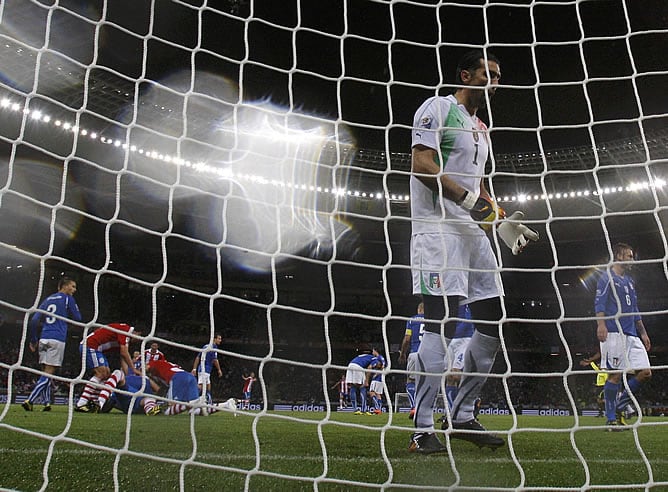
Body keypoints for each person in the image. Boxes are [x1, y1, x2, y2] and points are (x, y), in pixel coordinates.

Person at [407, 49, 538, 454]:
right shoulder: (437, 108)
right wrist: (470, 203)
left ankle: (462, 416)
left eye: (498, 76)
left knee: (492, 321)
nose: (494, 82)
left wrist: (500, 220)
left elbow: (480, 188)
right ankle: (423, 426)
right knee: (439, 323)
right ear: (466, 74)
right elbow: (422, 164)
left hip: (473, 234)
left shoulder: (482, 128)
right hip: (439, 231)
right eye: (488, 73)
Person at [595, 242, 651, 429]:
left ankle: (619, 403)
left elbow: (635, 309)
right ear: (618, 256)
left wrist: (643, 333)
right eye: (629, 256)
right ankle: (611, 419)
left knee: (645, 372)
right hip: (613, 333)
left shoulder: (629, 281)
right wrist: (601, 325)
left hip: (632, 334)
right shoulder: (606, 277)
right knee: (615, 376)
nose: (632, 260)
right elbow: (600, 304)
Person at [23, 277, 82, 412]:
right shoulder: (68, 299)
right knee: (49, 372)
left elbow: (34, 320)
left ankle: (47, 402)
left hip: (43, 338)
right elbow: (78, 318)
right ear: (64, 286)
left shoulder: (47, 300)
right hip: (57, 339)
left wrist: (33, 340)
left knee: (45, 372)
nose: (74, 289)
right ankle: (30, 400)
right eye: (72, 286)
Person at [75, 322, 141, 412]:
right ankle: (81, 403)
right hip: (90, 346)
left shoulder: (124, 340)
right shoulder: (125, 331)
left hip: (96, 349)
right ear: (138, 333)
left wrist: (128, 374)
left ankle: (94, 402)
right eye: (139, 339)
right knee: (101, 373)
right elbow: (124, 353)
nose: (138, 341)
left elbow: (123, 358)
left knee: (106, 374)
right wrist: (133, 369)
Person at [445, 303, 475, 409]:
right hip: (449, 340)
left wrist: (452, 332)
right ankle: (450, 410)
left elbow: (468, 321)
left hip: (464, 339)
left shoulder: (466, 302)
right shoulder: (448, 300)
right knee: (449, 376)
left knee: (456, 375)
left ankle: (473, 398)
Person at [398, 302, 425, 419]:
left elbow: (407, 338)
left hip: (415, 352)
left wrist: (403, 353)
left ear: (419, 309)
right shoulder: (433, 319)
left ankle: (414, 407)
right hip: (429, 354)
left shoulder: (412, 320)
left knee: (411, 380)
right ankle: (425, 408)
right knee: (427, 382)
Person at [345, 348, 380, 415]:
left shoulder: (365, 356)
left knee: (353, 387)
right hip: (358, 367)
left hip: (350, 365)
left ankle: (355, 410)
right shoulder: (375, 359)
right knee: (362, 387)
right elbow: (369, 368)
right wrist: (366, 381)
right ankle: (364, 410)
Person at [191, 334, 223, 404]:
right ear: (214, 339)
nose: (220, 340)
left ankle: (208, 400)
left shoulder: (205, 346)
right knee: (201, 386)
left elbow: (198, 357)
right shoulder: (213, 347)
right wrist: (219, 370)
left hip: (206, 369)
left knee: (208, 385)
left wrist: (194, 369)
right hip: (204, 369)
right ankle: (192, 399)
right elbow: (215, 360)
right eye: (219, 339)